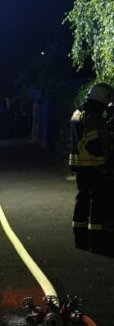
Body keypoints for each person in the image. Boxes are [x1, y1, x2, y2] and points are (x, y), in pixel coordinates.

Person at [69, 82, 114, 253]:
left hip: (80, 165)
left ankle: (80, 239)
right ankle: (96, 241)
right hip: (93, 165)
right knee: (97, 201)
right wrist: (104, 165)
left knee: (82, 199)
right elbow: (95, 144)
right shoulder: (93, 117)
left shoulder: (77, 113)